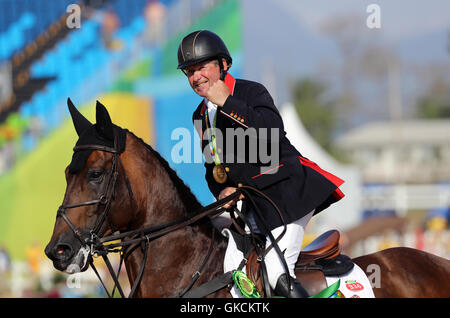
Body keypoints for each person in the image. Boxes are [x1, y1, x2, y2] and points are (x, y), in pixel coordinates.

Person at [177, 30, 345, 298]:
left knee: (277, 275)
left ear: (223, 65)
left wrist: (227, 102)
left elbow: (272, 134)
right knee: (233, 277)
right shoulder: (200, 115)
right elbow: (214, 167)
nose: (195, 77)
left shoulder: (250, 91)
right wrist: (222, 191)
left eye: (201, 67)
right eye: (189, 71)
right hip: (252, 204)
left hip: (286, 194)